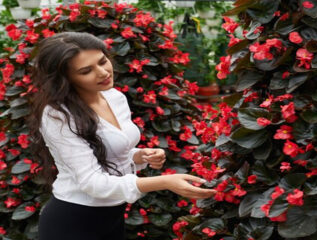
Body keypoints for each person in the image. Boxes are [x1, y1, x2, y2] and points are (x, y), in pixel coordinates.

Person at [26, 32, 216, 240]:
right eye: (86, 71)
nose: (102, 73)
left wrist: (141, 155)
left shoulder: (114, 97)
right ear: (66, 79)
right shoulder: (58, 116)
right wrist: (165, 182)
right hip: (73, 220)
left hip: (112, 216)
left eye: (102, 61)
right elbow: (92, 182)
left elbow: (109, 152)